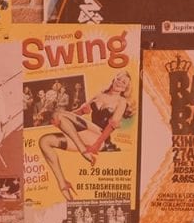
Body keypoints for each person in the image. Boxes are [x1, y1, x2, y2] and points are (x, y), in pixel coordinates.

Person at [38, 70, 134, 200]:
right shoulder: (99, 95)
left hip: (100, 138)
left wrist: (95, 145)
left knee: (58, 114)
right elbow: (77, 114)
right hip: (85, 135)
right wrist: (67, 119)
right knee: (44, 141)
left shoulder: (121, 101)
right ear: (114, 79)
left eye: (124, 83)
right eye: (119, 79)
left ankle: (83, 150)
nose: (120, 83)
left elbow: (111, 127)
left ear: (125, 88)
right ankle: (63, 183)